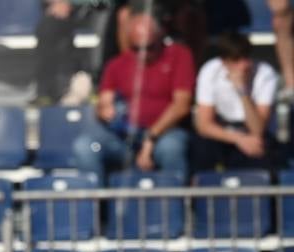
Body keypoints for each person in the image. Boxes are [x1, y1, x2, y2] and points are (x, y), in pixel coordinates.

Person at [71, 5, 194, 185]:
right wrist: (105, 110)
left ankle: (172, 208)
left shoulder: (179, 56)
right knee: (86, 146)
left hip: (164, 135)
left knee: (171, 148)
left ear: (159, 37)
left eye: (149, 47)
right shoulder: (117, 65)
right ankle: (95, 209)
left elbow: (181, 105)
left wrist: (151, 138)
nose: (143, 54)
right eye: (136, 48)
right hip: (124, 139)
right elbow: (104, 101)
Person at [191, 31, 282, 173]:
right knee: (201, 151)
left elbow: (258, 129)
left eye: (246, 57)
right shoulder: (210, 71)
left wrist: (243, 91)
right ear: (224, 61)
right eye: (236, 60)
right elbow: (203, 125)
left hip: (255, 133)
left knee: (259, 153)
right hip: (224, 130)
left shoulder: (265, 74)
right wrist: (239, 139)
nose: (244, 65)